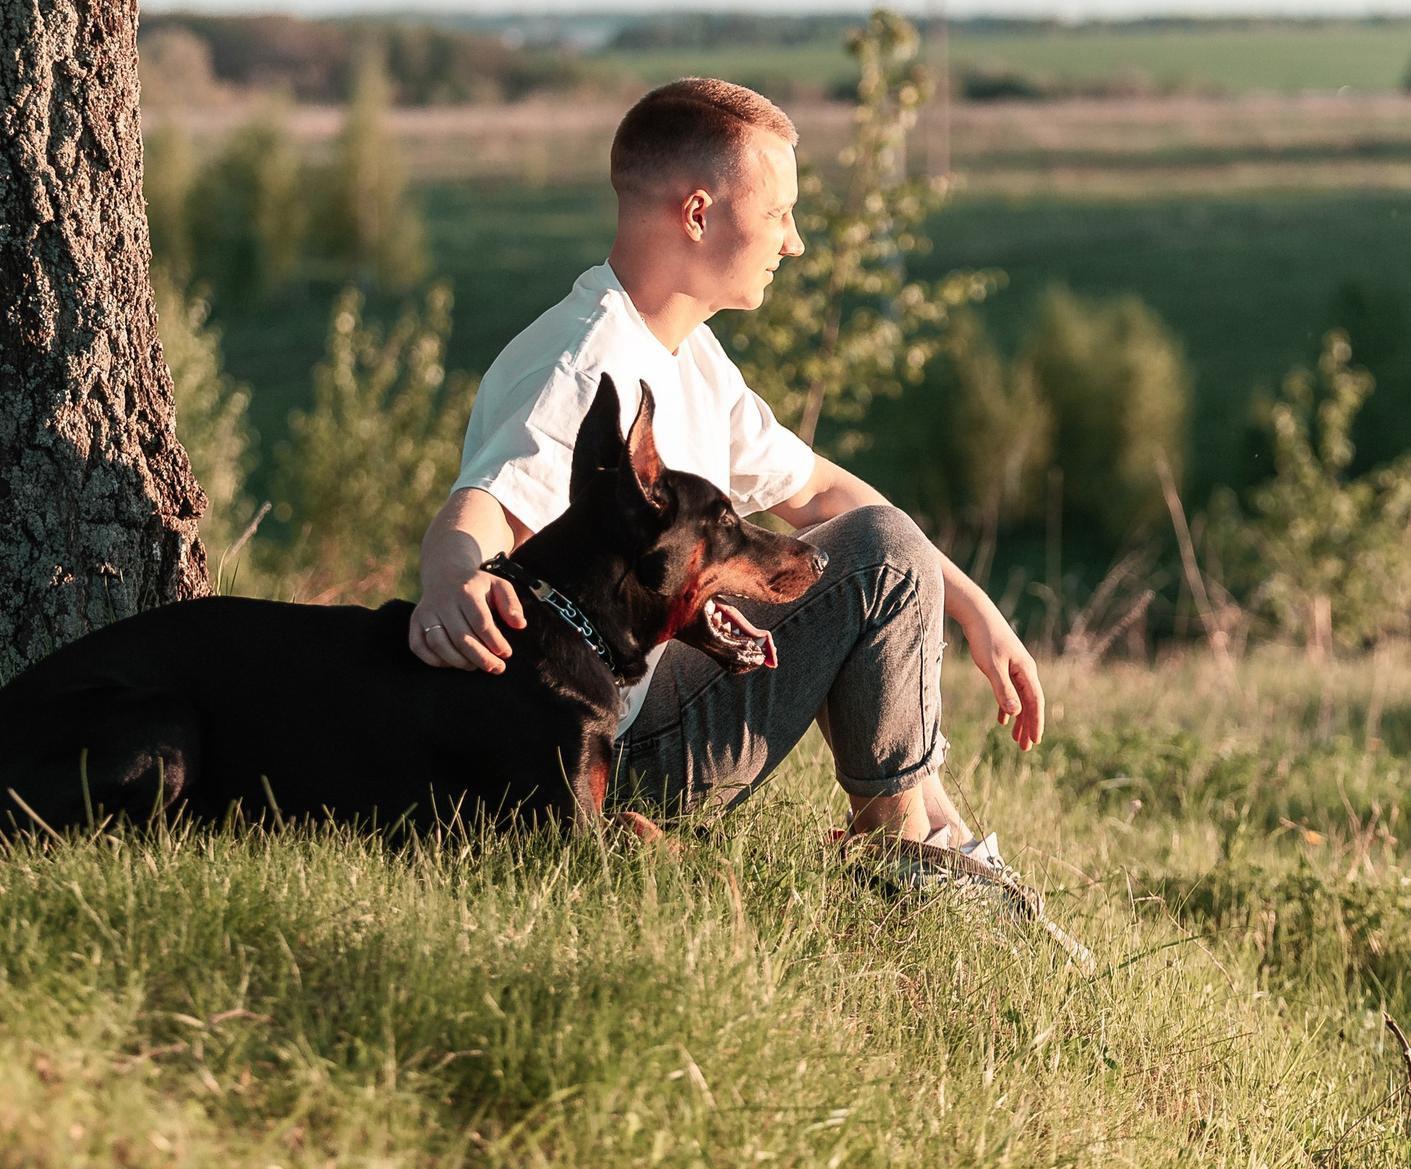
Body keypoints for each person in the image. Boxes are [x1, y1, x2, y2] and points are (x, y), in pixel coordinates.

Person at [410, 78, 1044, 867]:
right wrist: (447, 578)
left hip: (634, 703)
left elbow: (815, 493)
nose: (796, 241)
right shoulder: (585, 363)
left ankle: (929, 836)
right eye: (780, 213)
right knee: (880, 552)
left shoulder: (684, 351)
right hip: (600, 750)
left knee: (871, 546)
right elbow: (481, 506)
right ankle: (916, 857)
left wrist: (973, 606)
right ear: (699, 212)